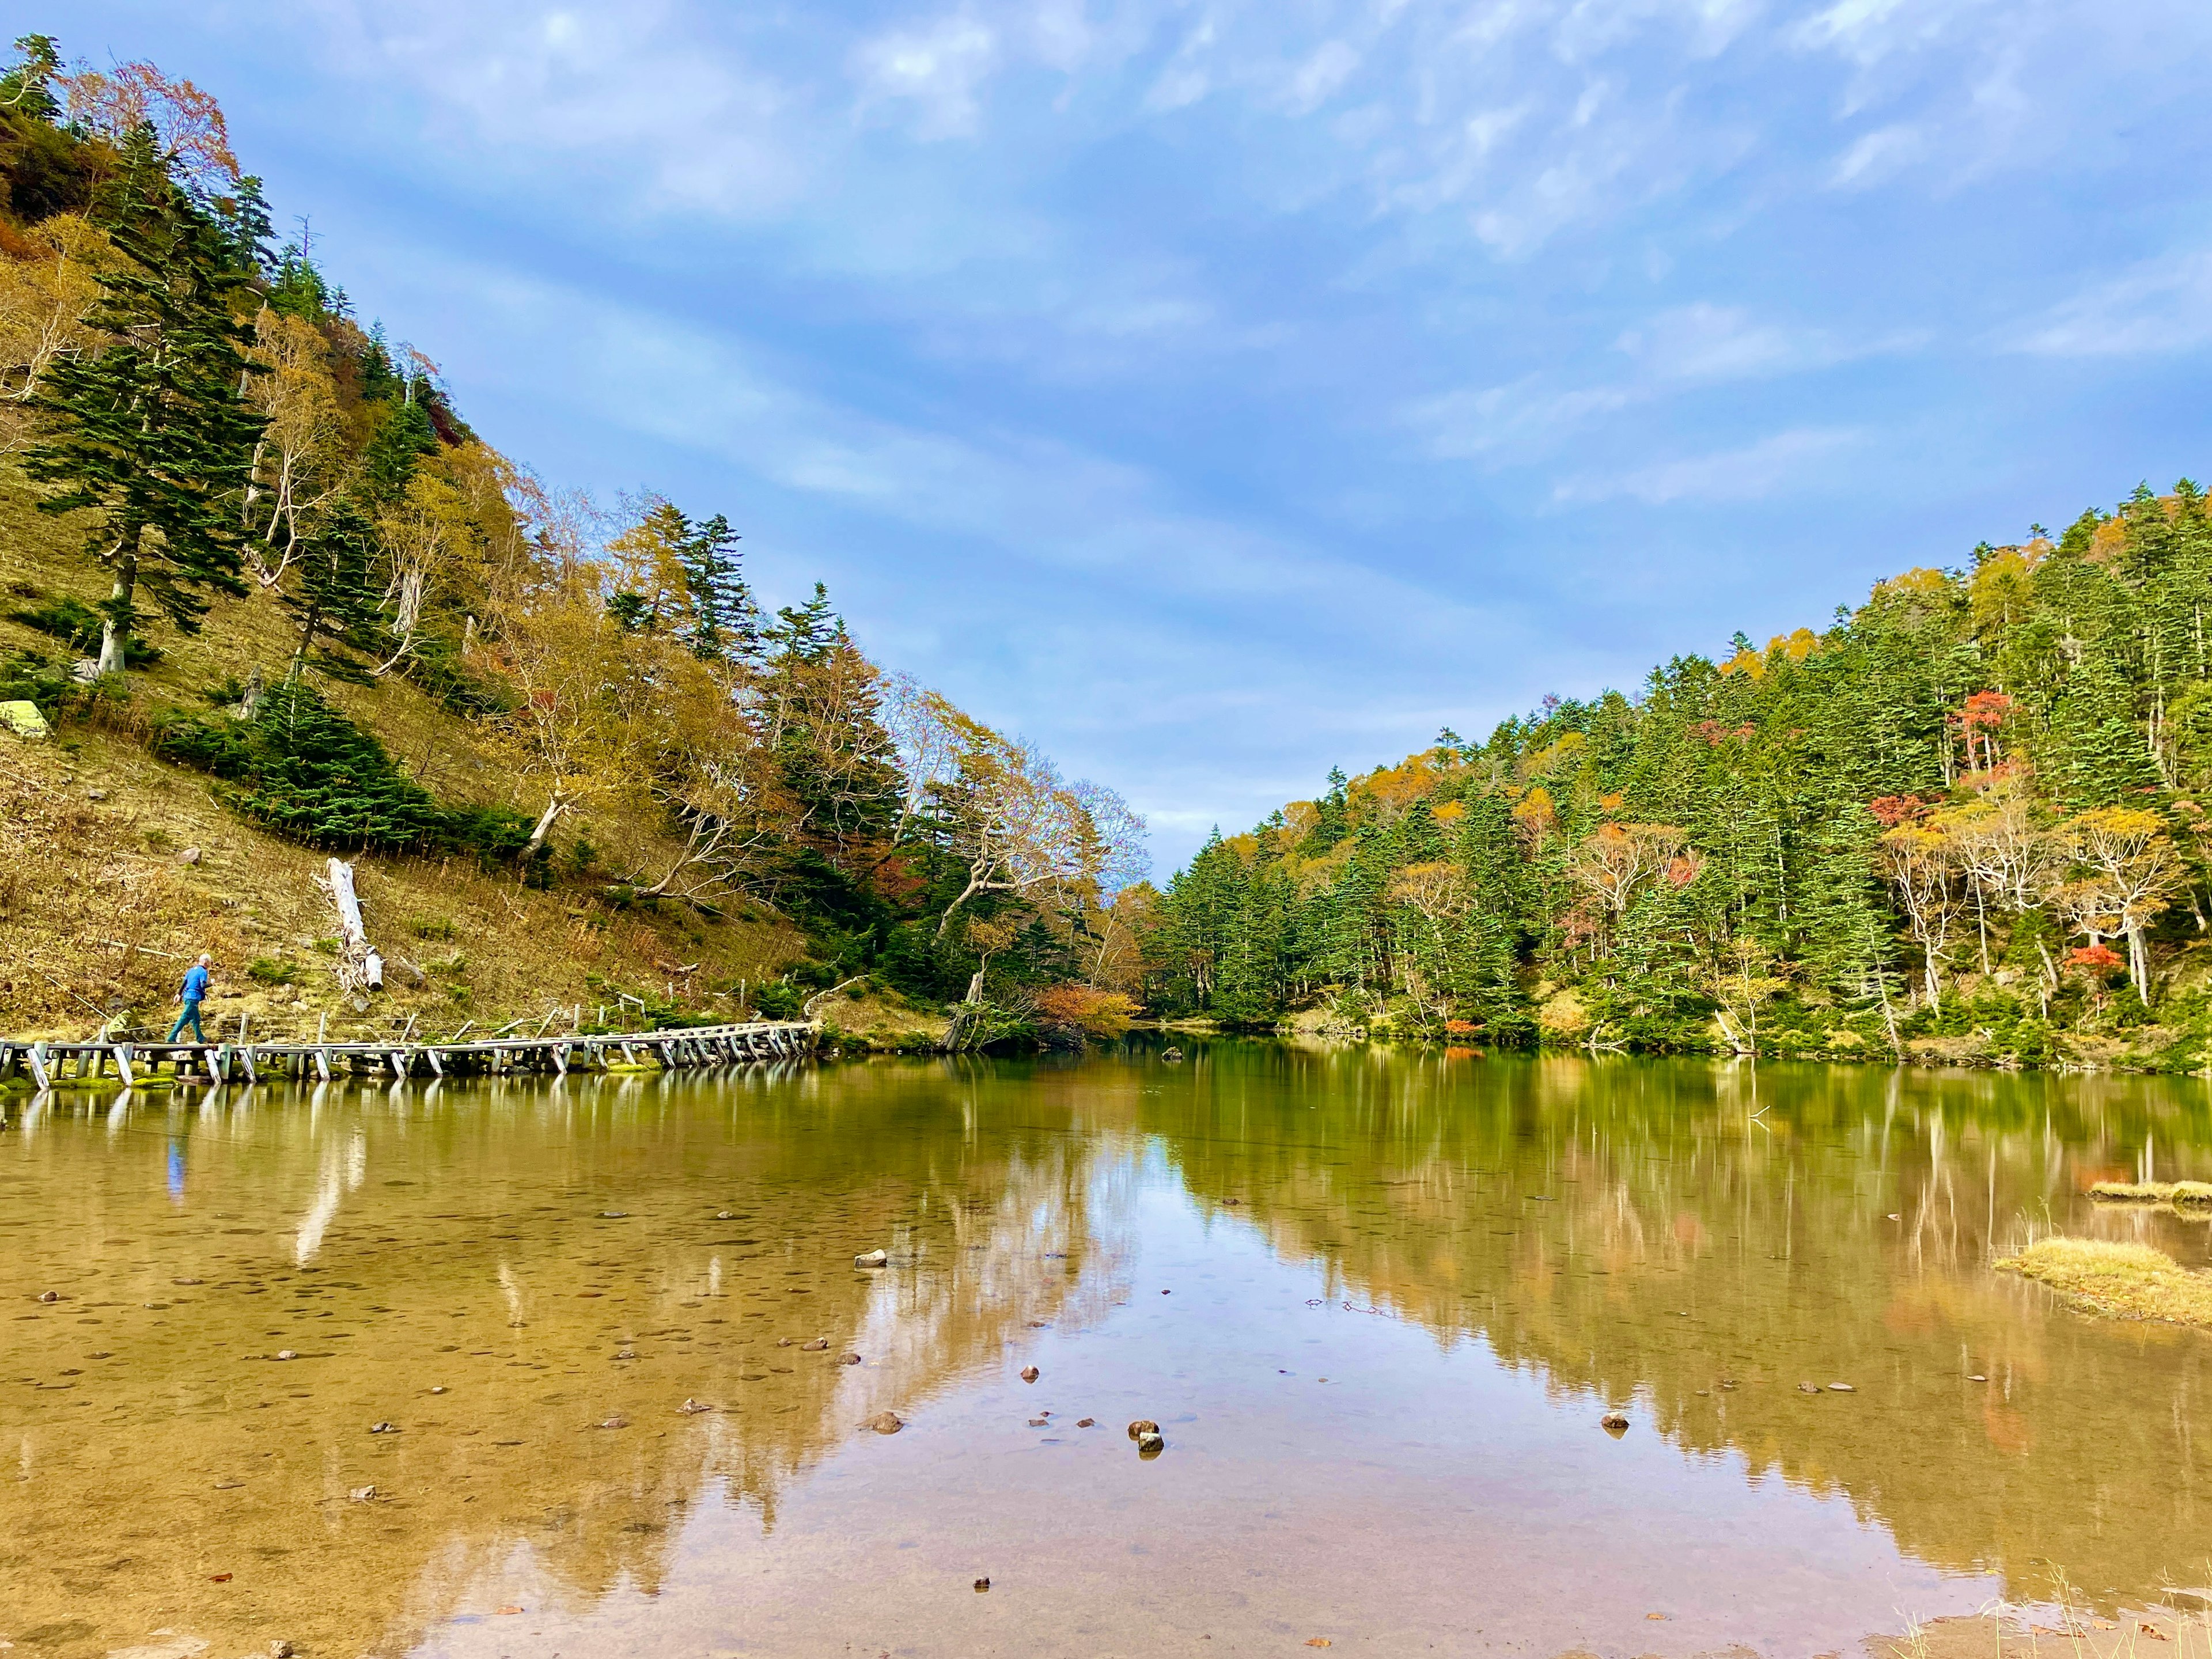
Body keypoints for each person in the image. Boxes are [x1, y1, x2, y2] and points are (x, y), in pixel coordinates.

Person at [169, 953, 213, 1044]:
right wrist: (211, 984)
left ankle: (200, 1038)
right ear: (206, 962)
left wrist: (179, 994)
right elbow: (203, 985)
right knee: (184, 1018)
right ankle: (171, 1038)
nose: (210, 964)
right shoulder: (203, 972)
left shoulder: (192, 970)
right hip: (194, 997)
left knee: (196, 1019)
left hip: (187, 996)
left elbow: (184, 982)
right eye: (209, 962)